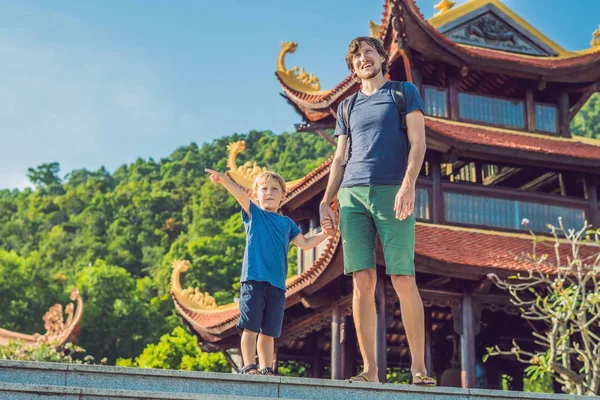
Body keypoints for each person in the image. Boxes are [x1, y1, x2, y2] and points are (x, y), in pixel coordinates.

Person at [319, 36, 435, 386]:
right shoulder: (347, 107)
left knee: (402, 277)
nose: (363, 59)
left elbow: (419, 143)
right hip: (353, 195)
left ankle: (418, 369)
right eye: (356, 56)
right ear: (352, 68)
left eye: (369, 52)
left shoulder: (403, 92)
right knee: (362, 281)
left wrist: (408, 183)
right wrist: (327, 199)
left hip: (392, 191)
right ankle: (370, 370)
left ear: (383, 58)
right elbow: (340, 158)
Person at [205, 168, 331, 376]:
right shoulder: (254, 214)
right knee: (251, 327)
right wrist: (225, 181)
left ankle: (266, 368)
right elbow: (239, 194)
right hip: (253, 280)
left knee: (269, 331)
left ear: (283, 195)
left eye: (275, 189)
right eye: (264, 189)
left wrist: (325, 233)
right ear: (256, 193)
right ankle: (248, 366)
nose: (269, 192)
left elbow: (306, 243)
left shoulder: (287, 224)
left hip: (277, 285)